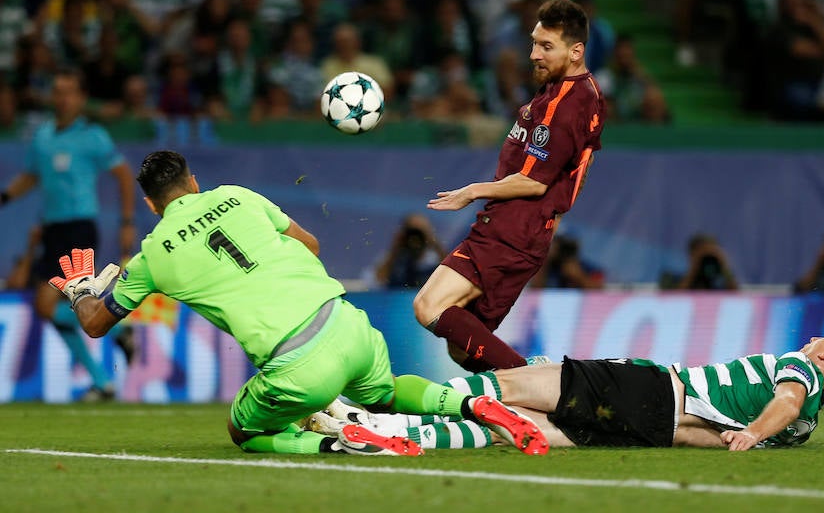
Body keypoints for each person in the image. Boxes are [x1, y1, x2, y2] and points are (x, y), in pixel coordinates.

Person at [47, 150, 549, 457]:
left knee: (241, 430)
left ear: (153, 205)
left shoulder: (153, 253)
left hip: (296, 364)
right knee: (388, 392)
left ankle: (340, 442)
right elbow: (309, 244)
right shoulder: (239, 196)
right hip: (348, 323)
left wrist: (81, 292)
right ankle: (473, 402)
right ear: (193, 181)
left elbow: (93, 325)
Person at [413, 0, 606, 372]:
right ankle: (529, 400)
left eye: (547, 46)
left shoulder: (562, 105)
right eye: (534, 42)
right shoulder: (586, 92)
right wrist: (553, 215)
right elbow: (585, 162)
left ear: (576, 50)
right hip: (526, 232)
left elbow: (533, 183)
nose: (534, 54)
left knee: (428, 306)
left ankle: (533, 380)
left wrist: (471, 191)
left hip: (511, 231)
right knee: (465, 349)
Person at [307, 331, 824, 452]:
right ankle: (387, 435)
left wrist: (750, 431)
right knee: (510, 430)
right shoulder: (805, 429)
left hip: (652, 390)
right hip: (652, 430)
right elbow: (707, 437)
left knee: (510, 385)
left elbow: (786, 399)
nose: (815, 338)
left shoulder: (801, 375)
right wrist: (727, 437)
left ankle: (372, 411)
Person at [0, 68, 136, 401]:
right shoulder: (43, 136)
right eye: (58, 91)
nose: (63, 98)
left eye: (69, 92)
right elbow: (32, 177)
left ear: (81, 98)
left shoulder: (93, 136)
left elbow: (122, 176)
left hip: (79, 227)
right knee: (53, 308)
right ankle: (105, 375)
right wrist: (4, 197)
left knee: (51, 305)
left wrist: (127, 221)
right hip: (53, 228)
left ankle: (109, 355)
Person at [374, 213, 447, 290]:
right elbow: (380, 279)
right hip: (398, 298)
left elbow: (449, 274)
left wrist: (434, 243)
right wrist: (395, 248)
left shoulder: (434, 257)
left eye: (420, 232)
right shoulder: (394, 256)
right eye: (412, 231)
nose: (415, 237)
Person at [673, 233, 738, 291]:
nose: (707, 258)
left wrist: (724, 265)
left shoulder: (722, 278)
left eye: (711, 253)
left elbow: (738, 297)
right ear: (691, 254)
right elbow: (674, 298)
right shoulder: (675, 276)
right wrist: (694, 267)